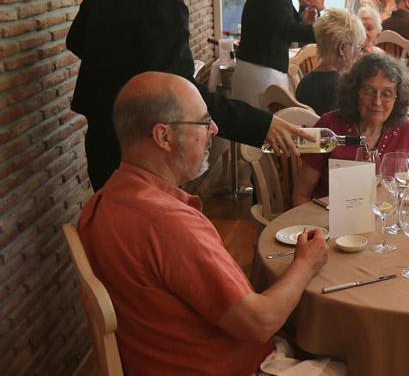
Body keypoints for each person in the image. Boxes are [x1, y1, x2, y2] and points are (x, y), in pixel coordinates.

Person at [78, 72, 336, 375]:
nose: (213, 129)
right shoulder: (167, 223)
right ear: (164, 137)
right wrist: (307, 262)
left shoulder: (104, 200)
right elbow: (259, 323)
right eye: (203, 122)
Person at [67, 0, 310, 191]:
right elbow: (184, 98)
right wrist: (263, 125)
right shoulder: (164, 1)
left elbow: (77, 40)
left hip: (99, 138)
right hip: (138, 150)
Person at [294, 54, 409, 204]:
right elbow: (300, 196)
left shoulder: (407, 131)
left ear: (398, 98)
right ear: (354, 93)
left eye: (387, 93)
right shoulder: (329, 127)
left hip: (385, 220)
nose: (377, 102)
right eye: (368, 91)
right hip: (329, 219)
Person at [233, 0, 317, 106]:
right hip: (259, 73)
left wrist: (305, 23)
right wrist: (324, 31)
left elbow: (286, 24)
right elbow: (288, 30)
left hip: (264, 70)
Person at [296, 9, 366, 115]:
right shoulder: (344, 88)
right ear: (342, 49)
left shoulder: (304, 82)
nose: (360, 53)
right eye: (359, 47)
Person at [358, 6, 409, 82]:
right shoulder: (352, 55)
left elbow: (394, 81)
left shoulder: (379, 54)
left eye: (369, 29)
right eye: (361, 28)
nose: (364, 32)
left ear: (377, 37)